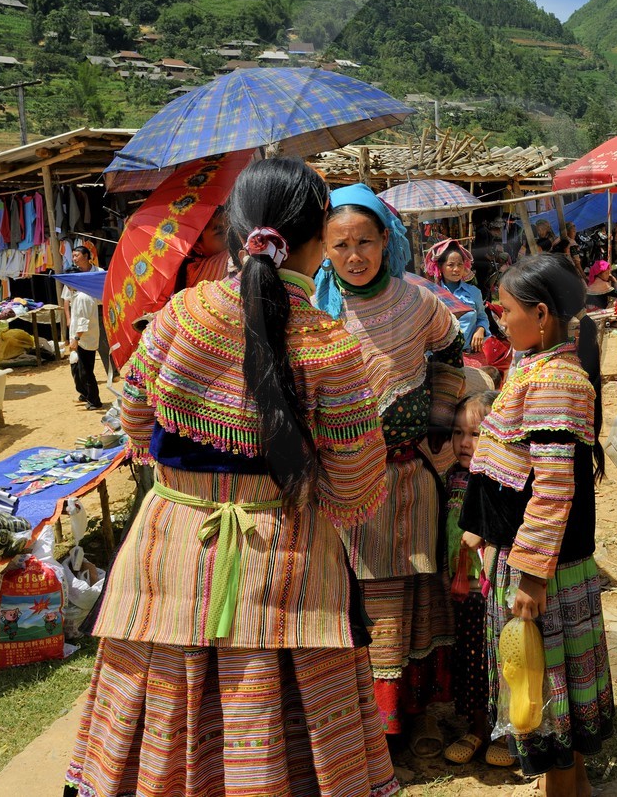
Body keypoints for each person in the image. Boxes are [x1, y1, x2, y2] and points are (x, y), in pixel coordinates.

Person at [65, 157, 398, 797]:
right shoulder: (330, 345)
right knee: (285, 749)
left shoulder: (180, 317)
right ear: (316, 239)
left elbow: (133, 418)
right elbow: (355, 486)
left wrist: (191, 479)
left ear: (232, 229)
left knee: (159, 745)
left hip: (167, 559)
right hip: (288, 573)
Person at [316, 183, 465, 753]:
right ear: (324, 249)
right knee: (358, 597)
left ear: (388, 240)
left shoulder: (418, 302)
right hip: (344, 485)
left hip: (410, 476)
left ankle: (417, 714)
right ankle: (364, 726)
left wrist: (441, 422)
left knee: (418, 591)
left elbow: (451, 351)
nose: (355, 256)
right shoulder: (312, 311)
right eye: (340, 245)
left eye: (366, 241)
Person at [458, 254, 615, 796]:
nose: (499, 319)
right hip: (526, 552)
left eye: (504, 310)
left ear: (541, 315)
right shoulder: (533, 365)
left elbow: (552, 487)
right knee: (551, 680)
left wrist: (529, 574)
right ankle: (576, 786)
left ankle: (563, 790)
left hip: (542, 563)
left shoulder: (557, 380)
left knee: (547, 682)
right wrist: (481, 528)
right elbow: (514, 460)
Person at [441, 390, 516, 770]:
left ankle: (506, 733)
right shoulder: (451, 478)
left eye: (474, 434)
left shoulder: (497, 482)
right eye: (457, 434)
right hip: (462, 594)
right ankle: (477, 728)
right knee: (470, 663)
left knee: (499, 664)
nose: (463, 443)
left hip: (492, 593)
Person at [430, 239, 492, 363]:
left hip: (471, 356)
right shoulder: (432, 295)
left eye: (459, 264)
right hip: (440, 360)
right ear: (440, 267)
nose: (456, 269)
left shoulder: (474, 292)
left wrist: (480, 329)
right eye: (450, 265)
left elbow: (482, 316)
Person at [67, 288, 104, 410]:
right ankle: (85, 394)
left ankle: (94, 400)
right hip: (80, 339)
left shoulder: (83, 297)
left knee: (86, 372)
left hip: (85, 340)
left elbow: (83, 321)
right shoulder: (77, 296)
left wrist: (76, 339)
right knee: (77, 369)